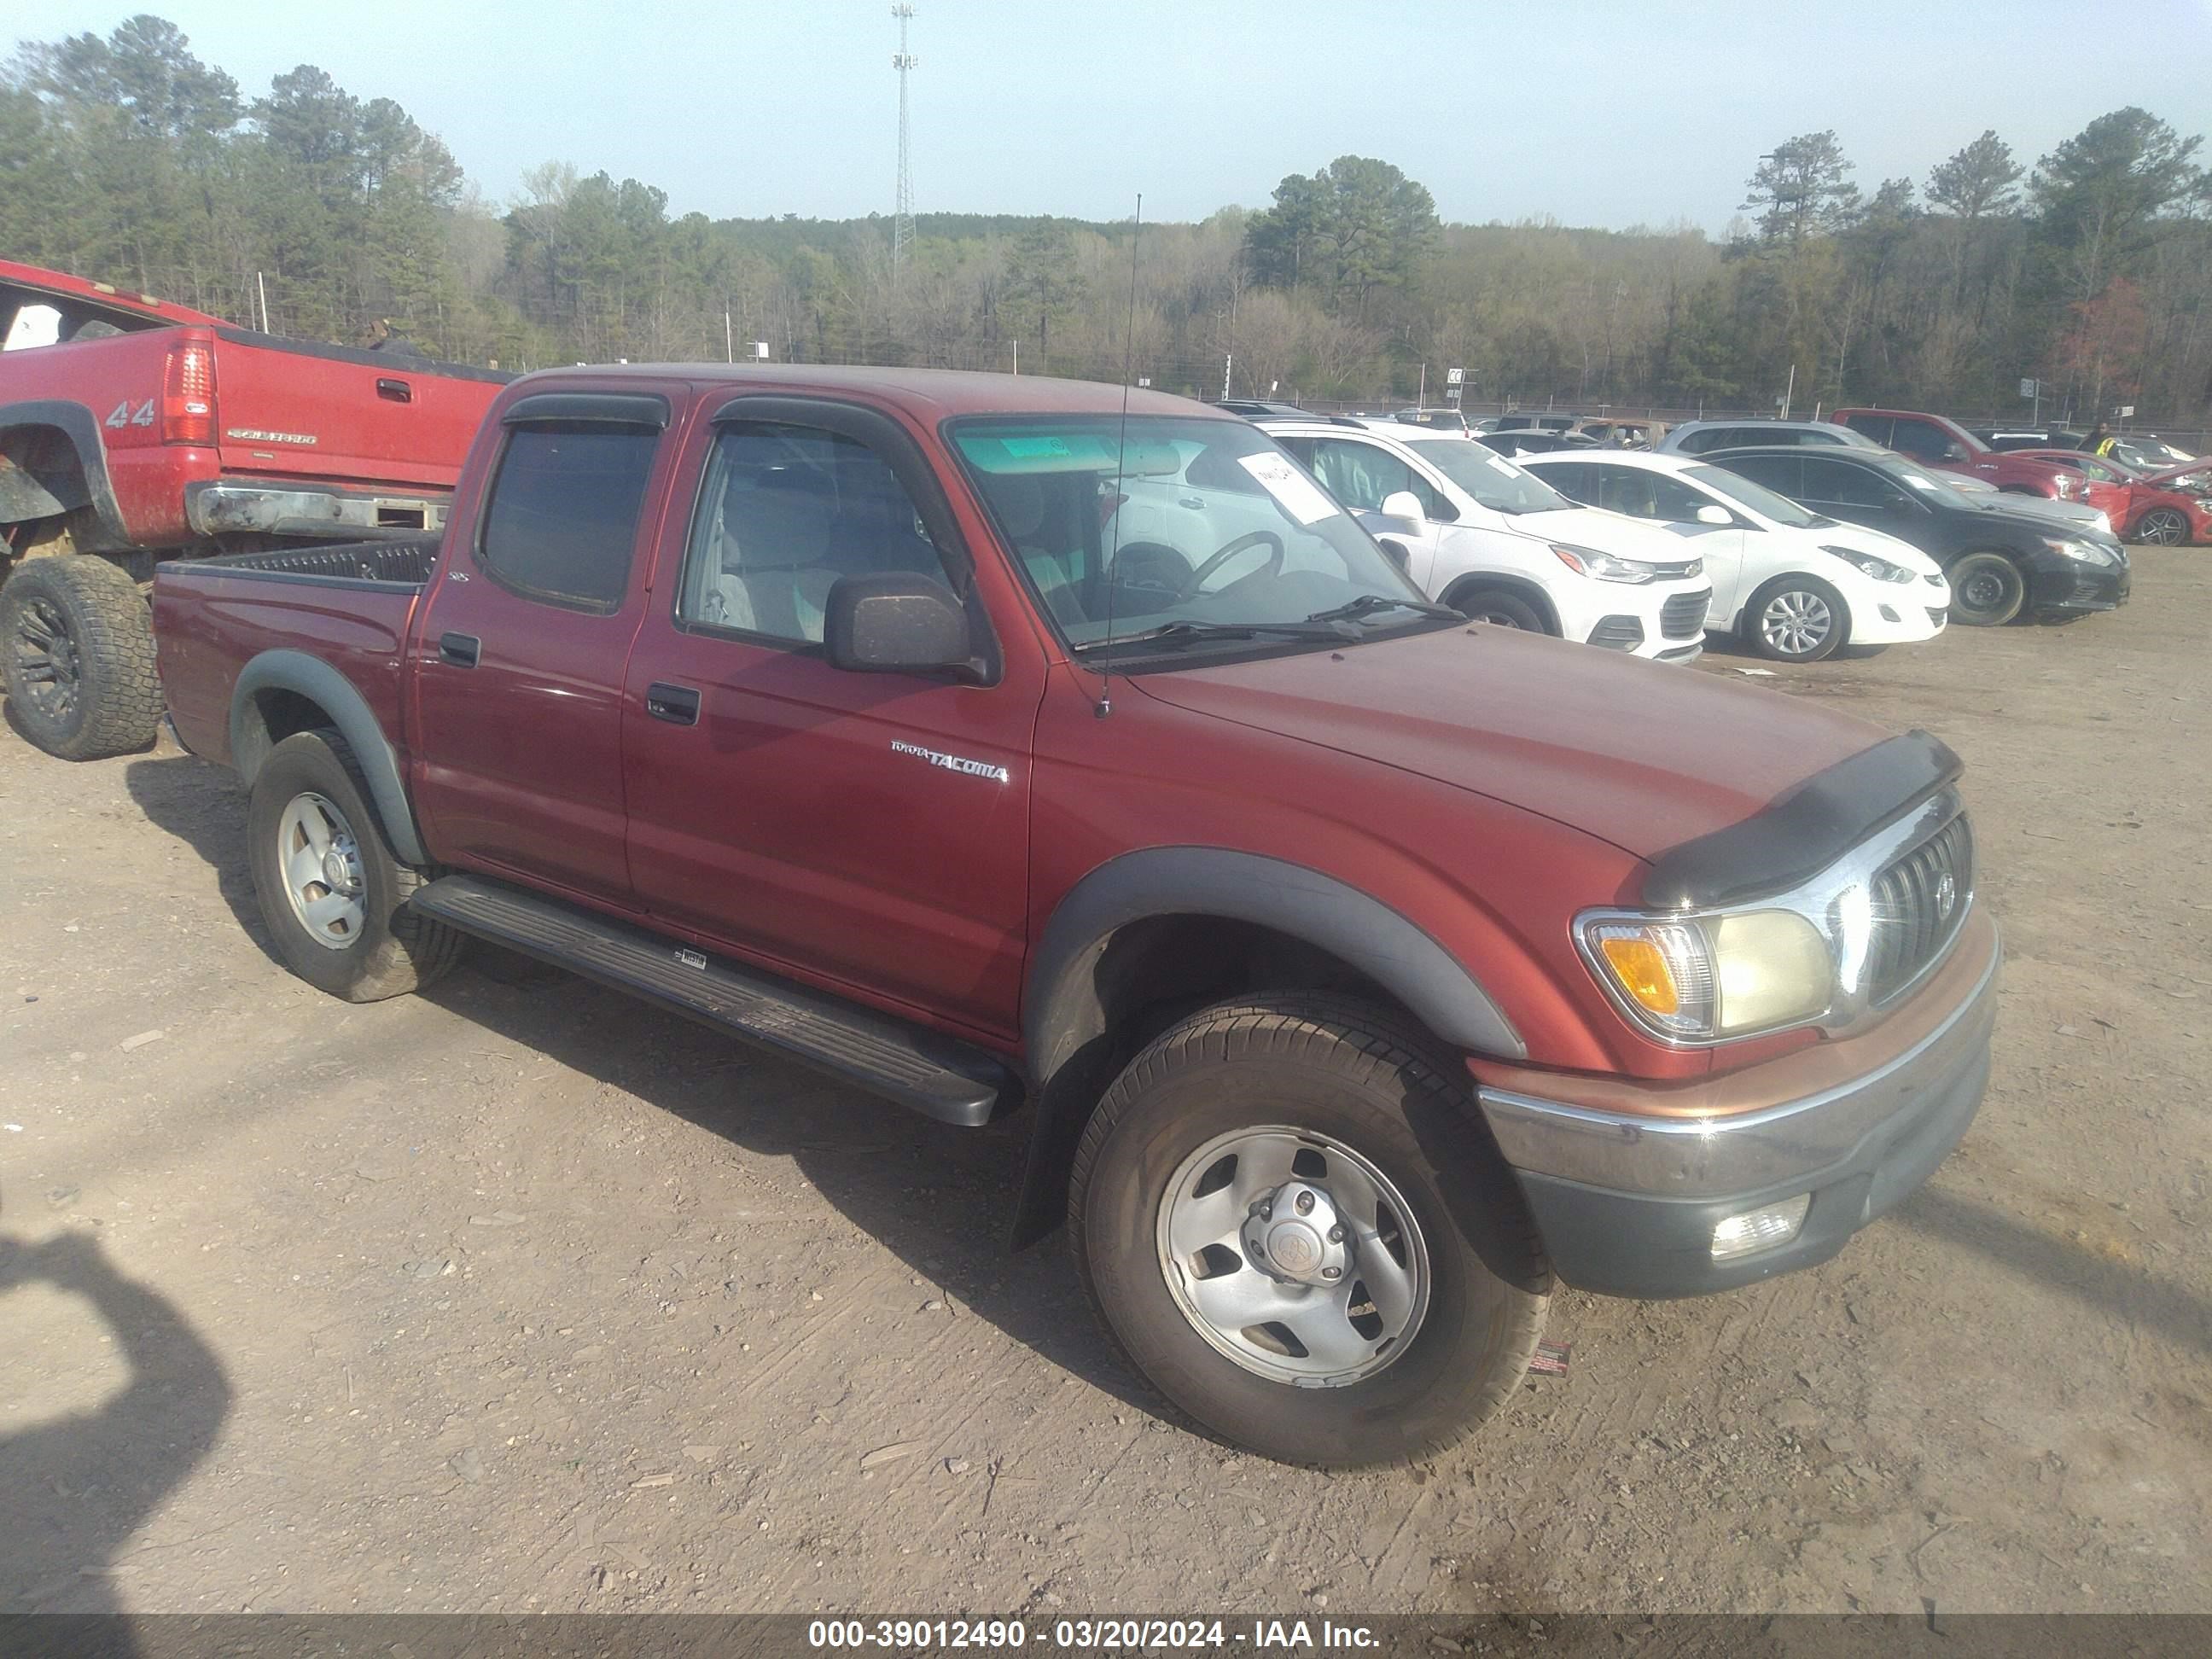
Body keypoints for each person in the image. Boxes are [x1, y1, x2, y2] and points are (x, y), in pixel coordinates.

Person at [364, 317, 429, 359]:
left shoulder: (401, 347)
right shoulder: (406, 345)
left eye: (369, 335)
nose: (368, 339)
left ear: (384, 333)